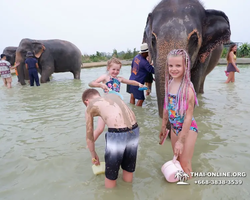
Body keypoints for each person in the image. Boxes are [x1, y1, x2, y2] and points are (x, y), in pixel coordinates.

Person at [82, 88, 140, 188]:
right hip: (134, 130)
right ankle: (128, 190)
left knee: (111, 174)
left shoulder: (90, 106)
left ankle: (110, 194)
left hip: (117, 134)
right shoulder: (112, 97)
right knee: (128, 167)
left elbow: (89, 135)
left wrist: (93, 154)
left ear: (86, 101)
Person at [159, 49, 199, 178]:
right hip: (174, 129)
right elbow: (166, 107)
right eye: (171, 65)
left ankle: (190, 192)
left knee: (184, 163)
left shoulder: (187, 89)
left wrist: (181, 141)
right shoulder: (169, 84)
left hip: (187, 129)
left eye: (178, 65)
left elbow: (188, 117)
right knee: (177, 162)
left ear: (185, 67)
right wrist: (164, 126)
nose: (173, 69)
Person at [88, 57, 146, 141]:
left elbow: (131, 82)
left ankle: (126, 139)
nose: (115, 71)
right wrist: (100, 85)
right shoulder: (105, 77)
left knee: (124, 123)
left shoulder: (119, 79)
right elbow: (91, 83)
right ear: (108, 68)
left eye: (118, 70)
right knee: (100, 129)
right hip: (106, 105)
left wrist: (139, 84)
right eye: (113, 69)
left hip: (116, 105)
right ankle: (89, 143)